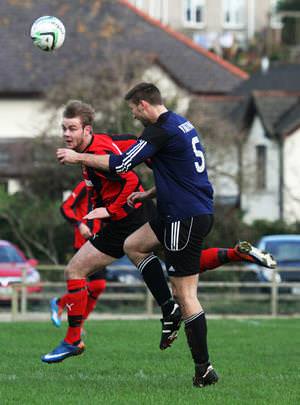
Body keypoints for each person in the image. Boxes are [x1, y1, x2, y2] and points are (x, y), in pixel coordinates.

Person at [56, 83, 276, 387]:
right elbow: (180, 172)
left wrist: (78, 157)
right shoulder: (181, 123)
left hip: (183, 217)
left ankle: (204, 368)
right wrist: (147, 194)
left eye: (133, 110)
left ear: (144, 105)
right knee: (134, 245)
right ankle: (172, 307)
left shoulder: (159, 130)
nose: (133, 116)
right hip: (179, 210)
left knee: (186, 294)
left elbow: (120, 164)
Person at [41, 100, 181, 364]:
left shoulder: (96, 149)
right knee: (180, 260)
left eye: (72, 128)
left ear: (87, 130)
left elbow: (128, 178)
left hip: (129, 218)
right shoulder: (97, 145)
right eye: (64, 129)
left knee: (75, 270)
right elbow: (129, 143)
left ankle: (73, 340)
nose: (66, 134)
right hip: (128, 217)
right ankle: (234, 255)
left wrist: (110, 211)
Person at [50, 180, 106, 328]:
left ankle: (61, 304)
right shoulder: (85, 186)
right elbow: (65, 208)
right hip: (83, 244)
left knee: (98, 285)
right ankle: (75, 325)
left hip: (100, 244)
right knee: (88, 285)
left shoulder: (108, 188)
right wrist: (79, 224)